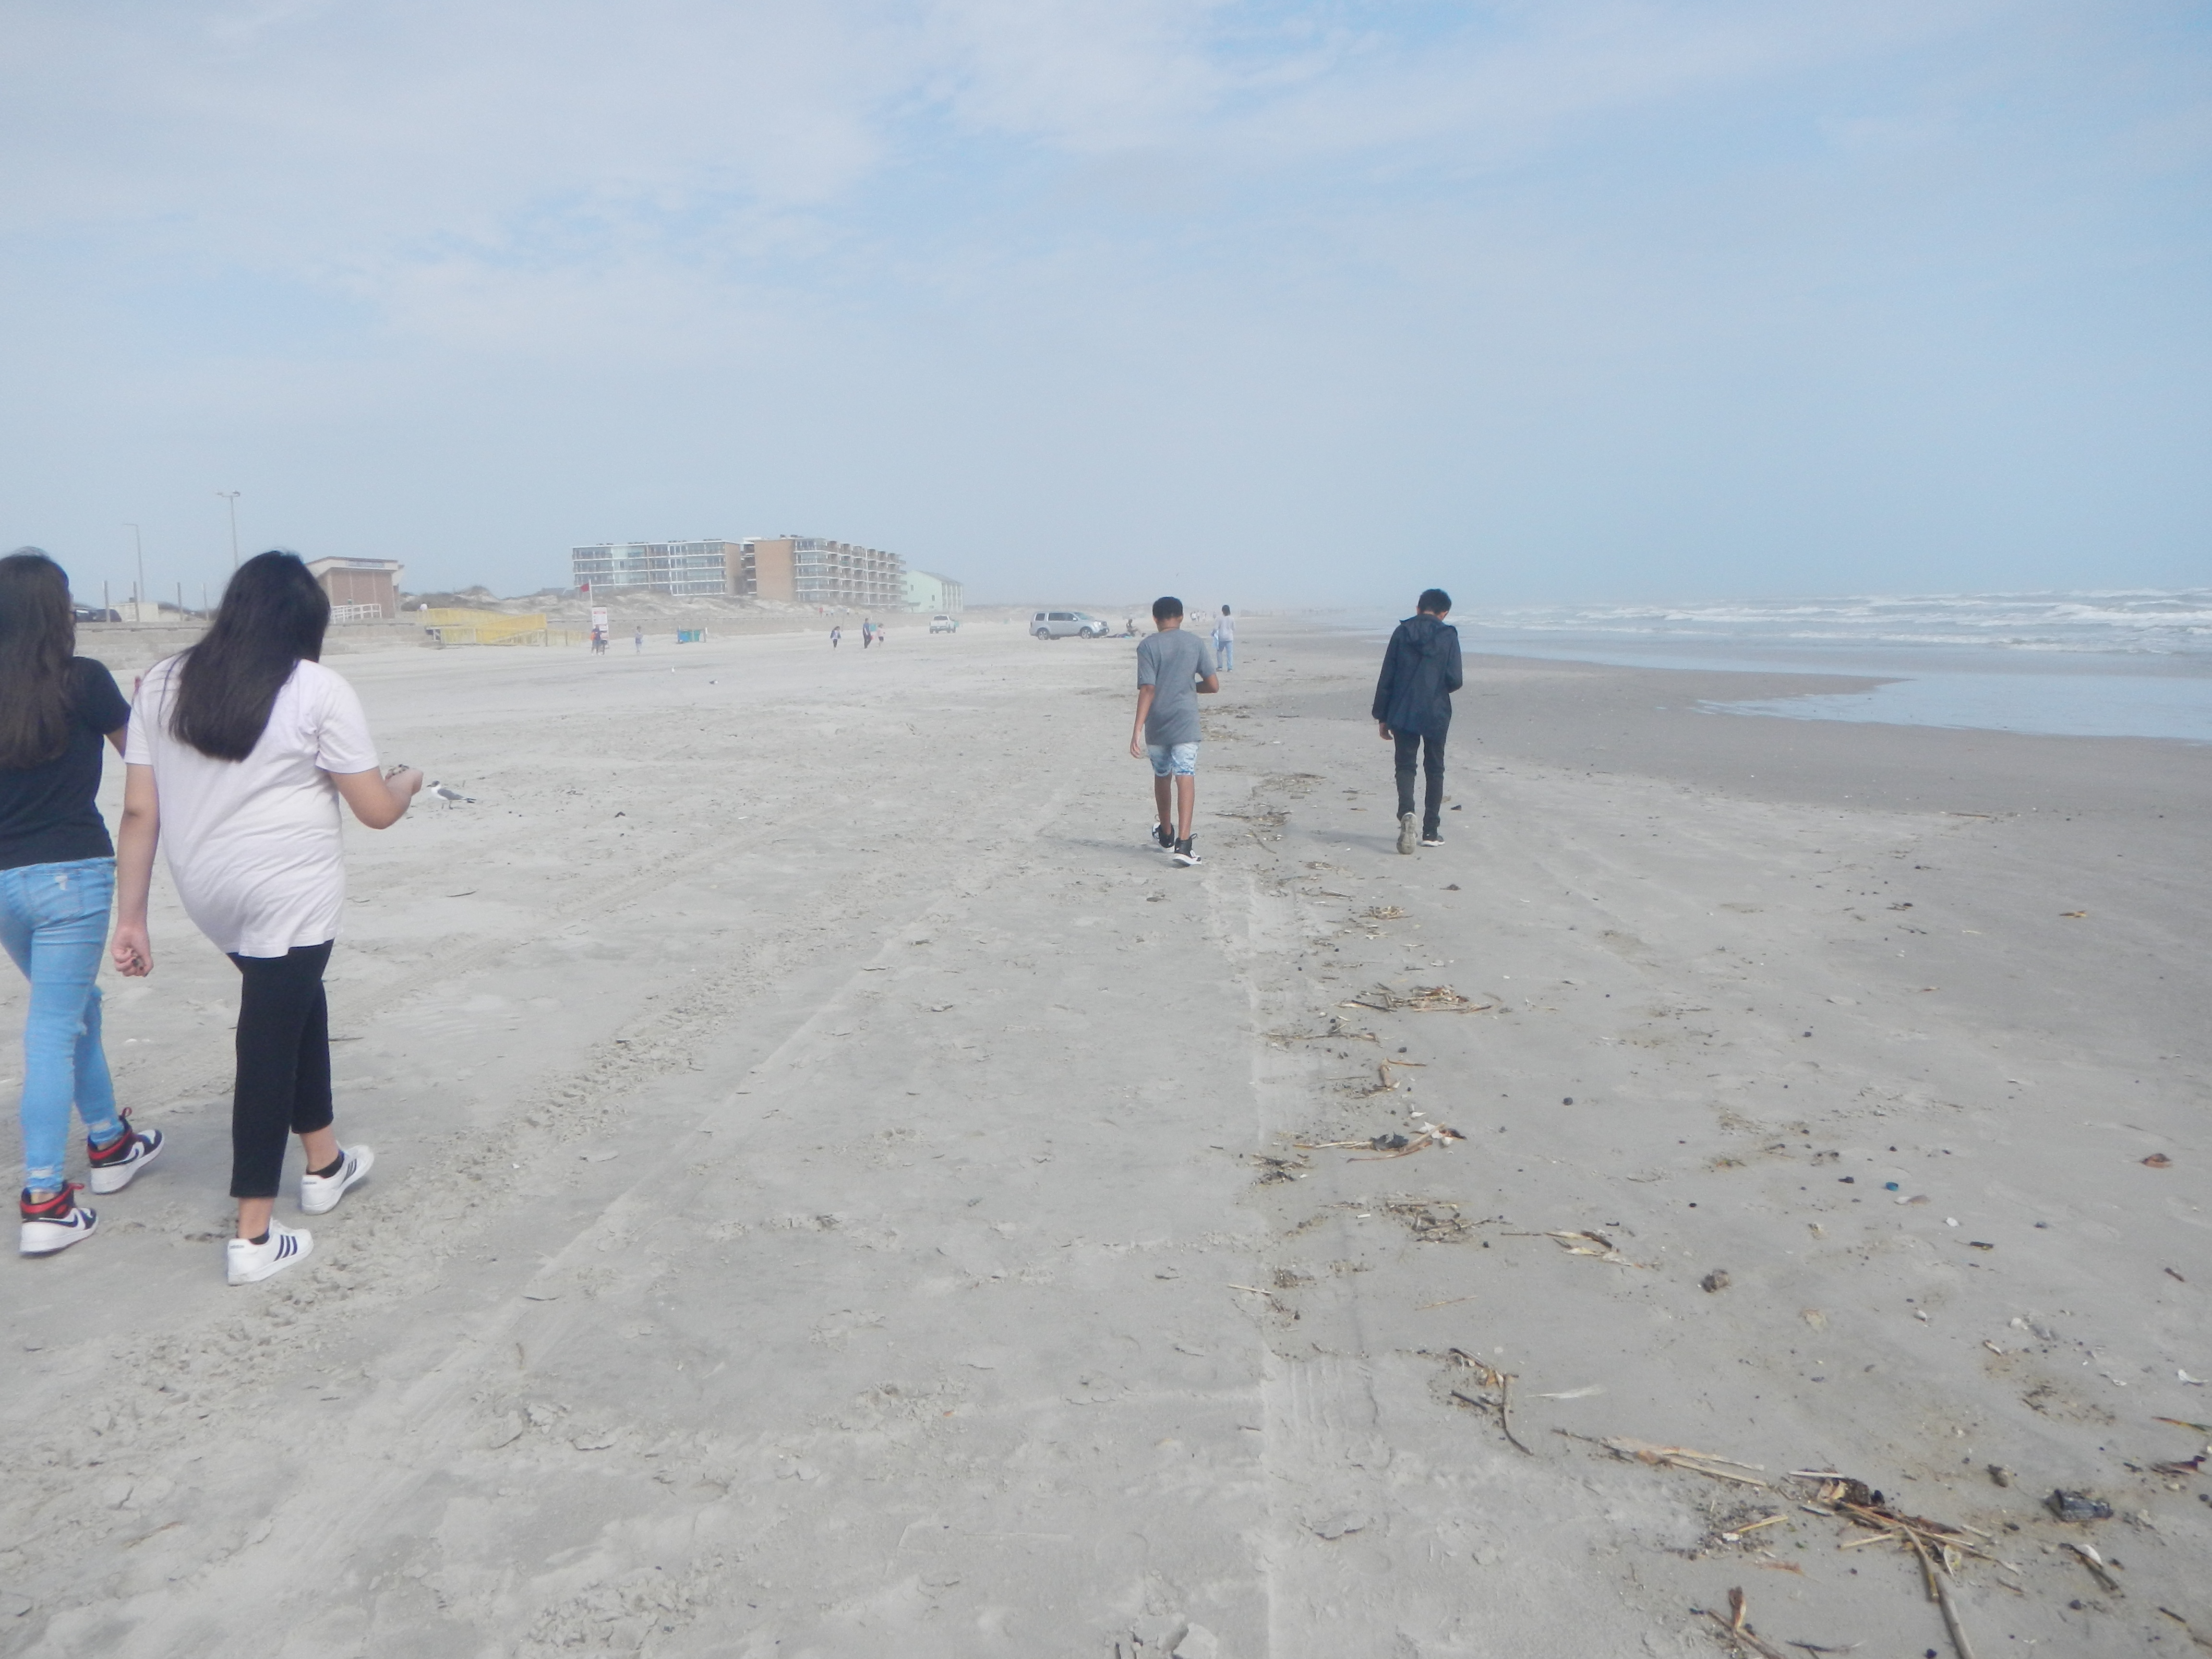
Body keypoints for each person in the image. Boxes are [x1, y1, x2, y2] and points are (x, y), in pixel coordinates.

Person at [113, 552, 423, 1285]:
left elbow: (138, 810)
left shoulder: (161, 682)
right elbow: (375, 811)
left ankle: (325, 1164)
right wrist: (407, 781)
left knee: (295, 1002)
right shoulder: (318, 688)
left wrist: (132, 918)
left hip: (211, 897)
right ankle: (253, 1234)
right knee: (267, 1042)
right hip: (290, 893)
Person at [2, 550, 163, 1255]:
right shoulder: (84, 681)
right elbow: (146, 759)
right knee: (51, 1028)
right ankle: (45, 1197)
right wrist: (144, 709)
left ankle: (110, 1142)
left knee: (76, 1010)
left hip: (5, 882)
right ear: (56, 611)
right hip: (72, 873)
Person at [1130, 596, 1219, 867]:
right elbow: (1213, 685)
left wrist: (1136, 730)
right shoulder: (1194, 643)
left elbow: (1148, 689)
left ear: (1156, 619)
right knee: (1186, 773)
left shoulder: (1147, 646)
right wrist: (1190, 689)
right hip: (1185, 721)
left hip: (1157, 722)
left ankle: (1166, 834)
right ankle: (1184, 844)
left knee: (1162, 775)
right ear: (1181, 617)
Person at [1371, 588, 1462, 854]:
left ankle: (1407, 812)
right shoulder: (1448, 635)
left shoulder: (1402, 633)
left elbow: (1387, 676)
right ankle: (1431, 831)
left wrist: (1382, 716)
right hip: (1435, 710)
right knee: (1434, 768)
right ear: (1444, 613)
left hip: (1403, 708)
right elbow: (1455, 679)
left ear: (1418, 608)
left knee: (1406, 765)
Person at [1211, 604, 1235, 672]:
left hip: (1221, 637)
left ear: (1222, 611)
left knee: (1219, 652)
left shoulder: (1219, 618)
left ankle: (1220, 667)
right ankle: (1230, 668)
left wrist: (1213, 633)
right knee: (1229, 653)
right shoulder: (1232, 618)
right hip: (1230, 637)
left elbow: (1216, 628)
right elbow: (1234, 628)